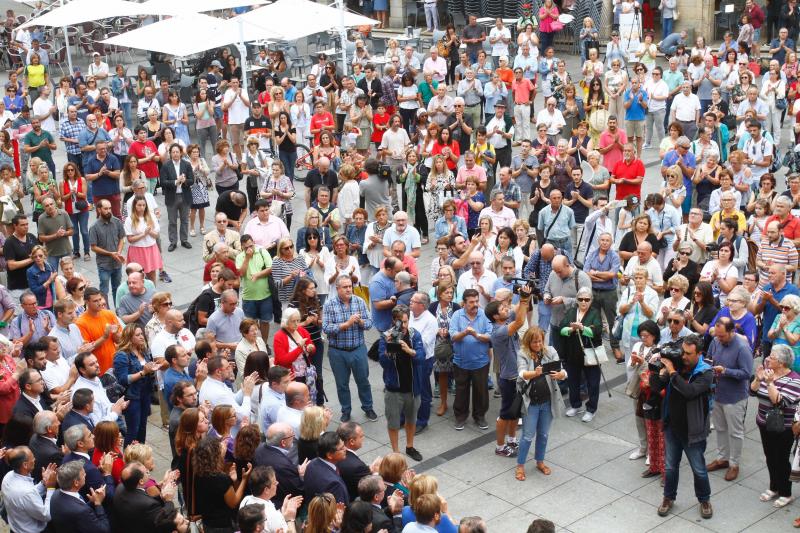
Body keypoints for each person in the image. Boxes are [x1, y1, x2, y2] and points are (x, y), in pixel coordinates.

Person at [650, 334, 714, 519]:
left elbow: (689, 392)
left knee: (698, 468)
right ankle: (668, 498)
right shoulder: (676, 364)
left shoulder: (705, 372)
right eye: (682, 352)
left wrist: (671, 372)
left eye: (688, 353)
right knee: (670, 466)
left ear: (699, 353)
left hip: (693, 430)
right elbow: (655, 387)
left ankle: (704, 499)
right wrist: (659, 371)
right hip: (672, 425)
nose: (683, 357)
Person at [750, 344, 800, 509]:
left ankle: (786, 493)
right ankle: (774, 487)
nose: (767, 359)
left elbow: (779, 401)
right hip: (764, 424)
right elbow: (752, 391)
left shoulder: (795, 380)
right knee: (770, 456)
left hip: (783, 429)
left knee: (781, 459)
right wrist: (758, 378)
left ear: (781, 362)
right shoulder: (767, 373)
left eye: (771, 357)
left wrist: (770, 383)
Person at [514, 326, 567, 481]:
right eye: (534, 342)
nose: (537, 345)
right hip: (531, 404)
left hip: (547, 402)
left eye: (539, 341)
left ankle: (540, 461)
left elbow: (563, 371)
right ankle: (520, 465)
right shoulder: (523, 354)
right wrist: (534, 373)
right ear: (528, 342)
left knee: (543, 434)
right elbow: (521, 373)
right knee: (527, 436)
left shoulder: (549, 351)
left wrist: (560, 374)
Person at [705, 316, 754, 482]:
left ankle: (734, 464)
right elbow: (710, 357)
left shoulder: (742, 348)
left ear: (732, 332)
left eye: (722, 336)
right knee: (720, 428)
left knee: (735, 432)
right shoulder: (716, 341)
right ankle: (722, 458)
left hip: (735, 397)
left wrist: (725, 371)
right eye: (717, 335)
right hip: (718, 393)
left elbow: (747, 373)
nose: (719, 339)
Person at [322, 275, 376, 423]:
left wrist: (360, 322)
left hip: (358, 349)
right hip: (337, 352)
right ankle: (346, 410)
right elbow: (326, 328)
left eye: (350, 286)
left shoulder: (359, 301)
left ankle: (368, 407)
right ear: (337, 289)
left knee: (363, 381)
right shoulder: (329, 305)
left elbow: (370, 323)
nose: (348, 289)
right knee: (342, 384)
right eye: (345, 287)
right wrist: (345, 324)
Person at [486, 283, 531, 458]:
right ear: (496, 316)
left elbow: (518, 309)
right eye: (503, 308)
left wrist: (525, 296)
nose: (507, 309)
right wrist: (524, 300)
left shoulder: (504, 320)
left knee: (515, 413)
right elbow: (520, 321)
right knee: (505, 414)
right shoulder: (498, 331)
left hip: (517, 375)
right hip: (508, 378)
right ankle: (500, 445)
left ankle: (512, 440)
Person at [378, 305, 425, 462]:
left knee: (411, 420)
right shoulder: (386, 336)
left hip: (412, 388)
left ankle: (410, 446)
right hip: (394, 389)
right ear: (394, 321)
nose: (403, 326)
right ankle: (396, 452)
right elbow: (384, 363)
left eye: (406, 322)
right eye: (400, 322)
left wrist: (408, 350)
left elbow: (420, 358)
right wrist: (389, 350)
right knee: (393, 422)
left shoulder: (414, 335)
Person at [449, 288, 492, 431]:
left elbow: (490, 335)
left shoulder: (484, 314)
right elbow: (453, 336)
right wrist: (464, 333)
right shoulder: (457, 315)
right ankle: (460, 417)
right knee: (461, 391)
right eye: (471, 302)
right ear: (464, 303)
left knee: (481, 391)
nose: (475, 304)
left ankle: (480, 416)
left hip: (481, 362)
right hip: (461, 362)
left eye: (476, 301)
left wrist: (476, 335)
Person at [558, 287, 604, 421]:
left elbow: (597, 330)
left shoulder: (595, 312)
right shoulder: (572, 311)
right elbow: (561, 328)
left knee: (593, 383)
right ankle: (575, 405)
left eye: (587, 299)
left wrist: (582, 328)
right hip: (573, 353)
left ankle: (591, 409)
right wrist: (571, 329)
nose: (583, 302)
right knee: (573, 381)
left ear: (591, 300)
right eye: (581, 299)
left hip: (590, 353)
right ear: (577, 300)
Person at [193, 435, 252, 532]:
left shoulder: (198, 472)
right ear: (216, 454)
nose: (224, 446)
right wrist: (244, 479)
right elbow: (233, 502)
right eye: (221, 447)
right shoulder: (221, 478)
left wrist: (233, 480)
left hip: (208, 523)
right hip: (222, 526)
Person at [1, 445, 58, 533]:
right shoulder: (26, 492)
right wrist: (50, 487)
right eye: (32, 457)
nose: (34, 459)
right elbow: (46, 515)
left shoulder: (8, 477)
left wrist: (43, 483)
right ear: (25, 465)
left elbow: (27, 495)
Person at [49, 460, 110, 532]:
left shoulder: (56, 494)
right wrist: (98, 504)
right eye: (83, 474)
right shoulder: (81, 511)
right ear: (76, 483)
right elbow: (104, 530)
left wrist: (92, 502)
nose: (85, 475)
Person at [88, 199, 125, 305]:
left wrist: (118, 252)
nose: (108, 211)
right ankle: (105, 311)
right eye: (105, 209)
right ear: (99, 210)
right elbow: (93, 247)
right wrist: (110, 253)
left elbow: (121, 238)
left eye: (109, 208)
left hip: (117, 263)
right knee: (104, 290)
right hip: (104, 265)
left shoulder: (117, 221)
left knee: (117, 289)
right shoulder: (94, 227)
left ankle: (118, 311)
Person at [160, 143, 194, 251]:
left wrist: (185, 181)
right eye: (173, 152)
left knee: (185, 220)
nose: (175, 154)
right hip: (172, 196)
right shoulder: (166, 165)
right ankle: (173, 242)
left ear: (181, 153)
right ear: (170, 154)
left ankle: (184, 240)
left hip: (184, 196)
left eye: (177, 152)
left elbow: (192, 180)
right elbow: (163, 182)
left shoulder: (186, 164)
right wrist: (176, 181)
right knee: (172, 221)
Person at [303, 431, 349, 504]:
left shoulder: (312, 463)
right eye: (341, 448)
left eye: (344, 445)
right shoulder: (334, 484)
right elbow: (339, 510)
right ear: (329, 455)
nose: (345, 449)